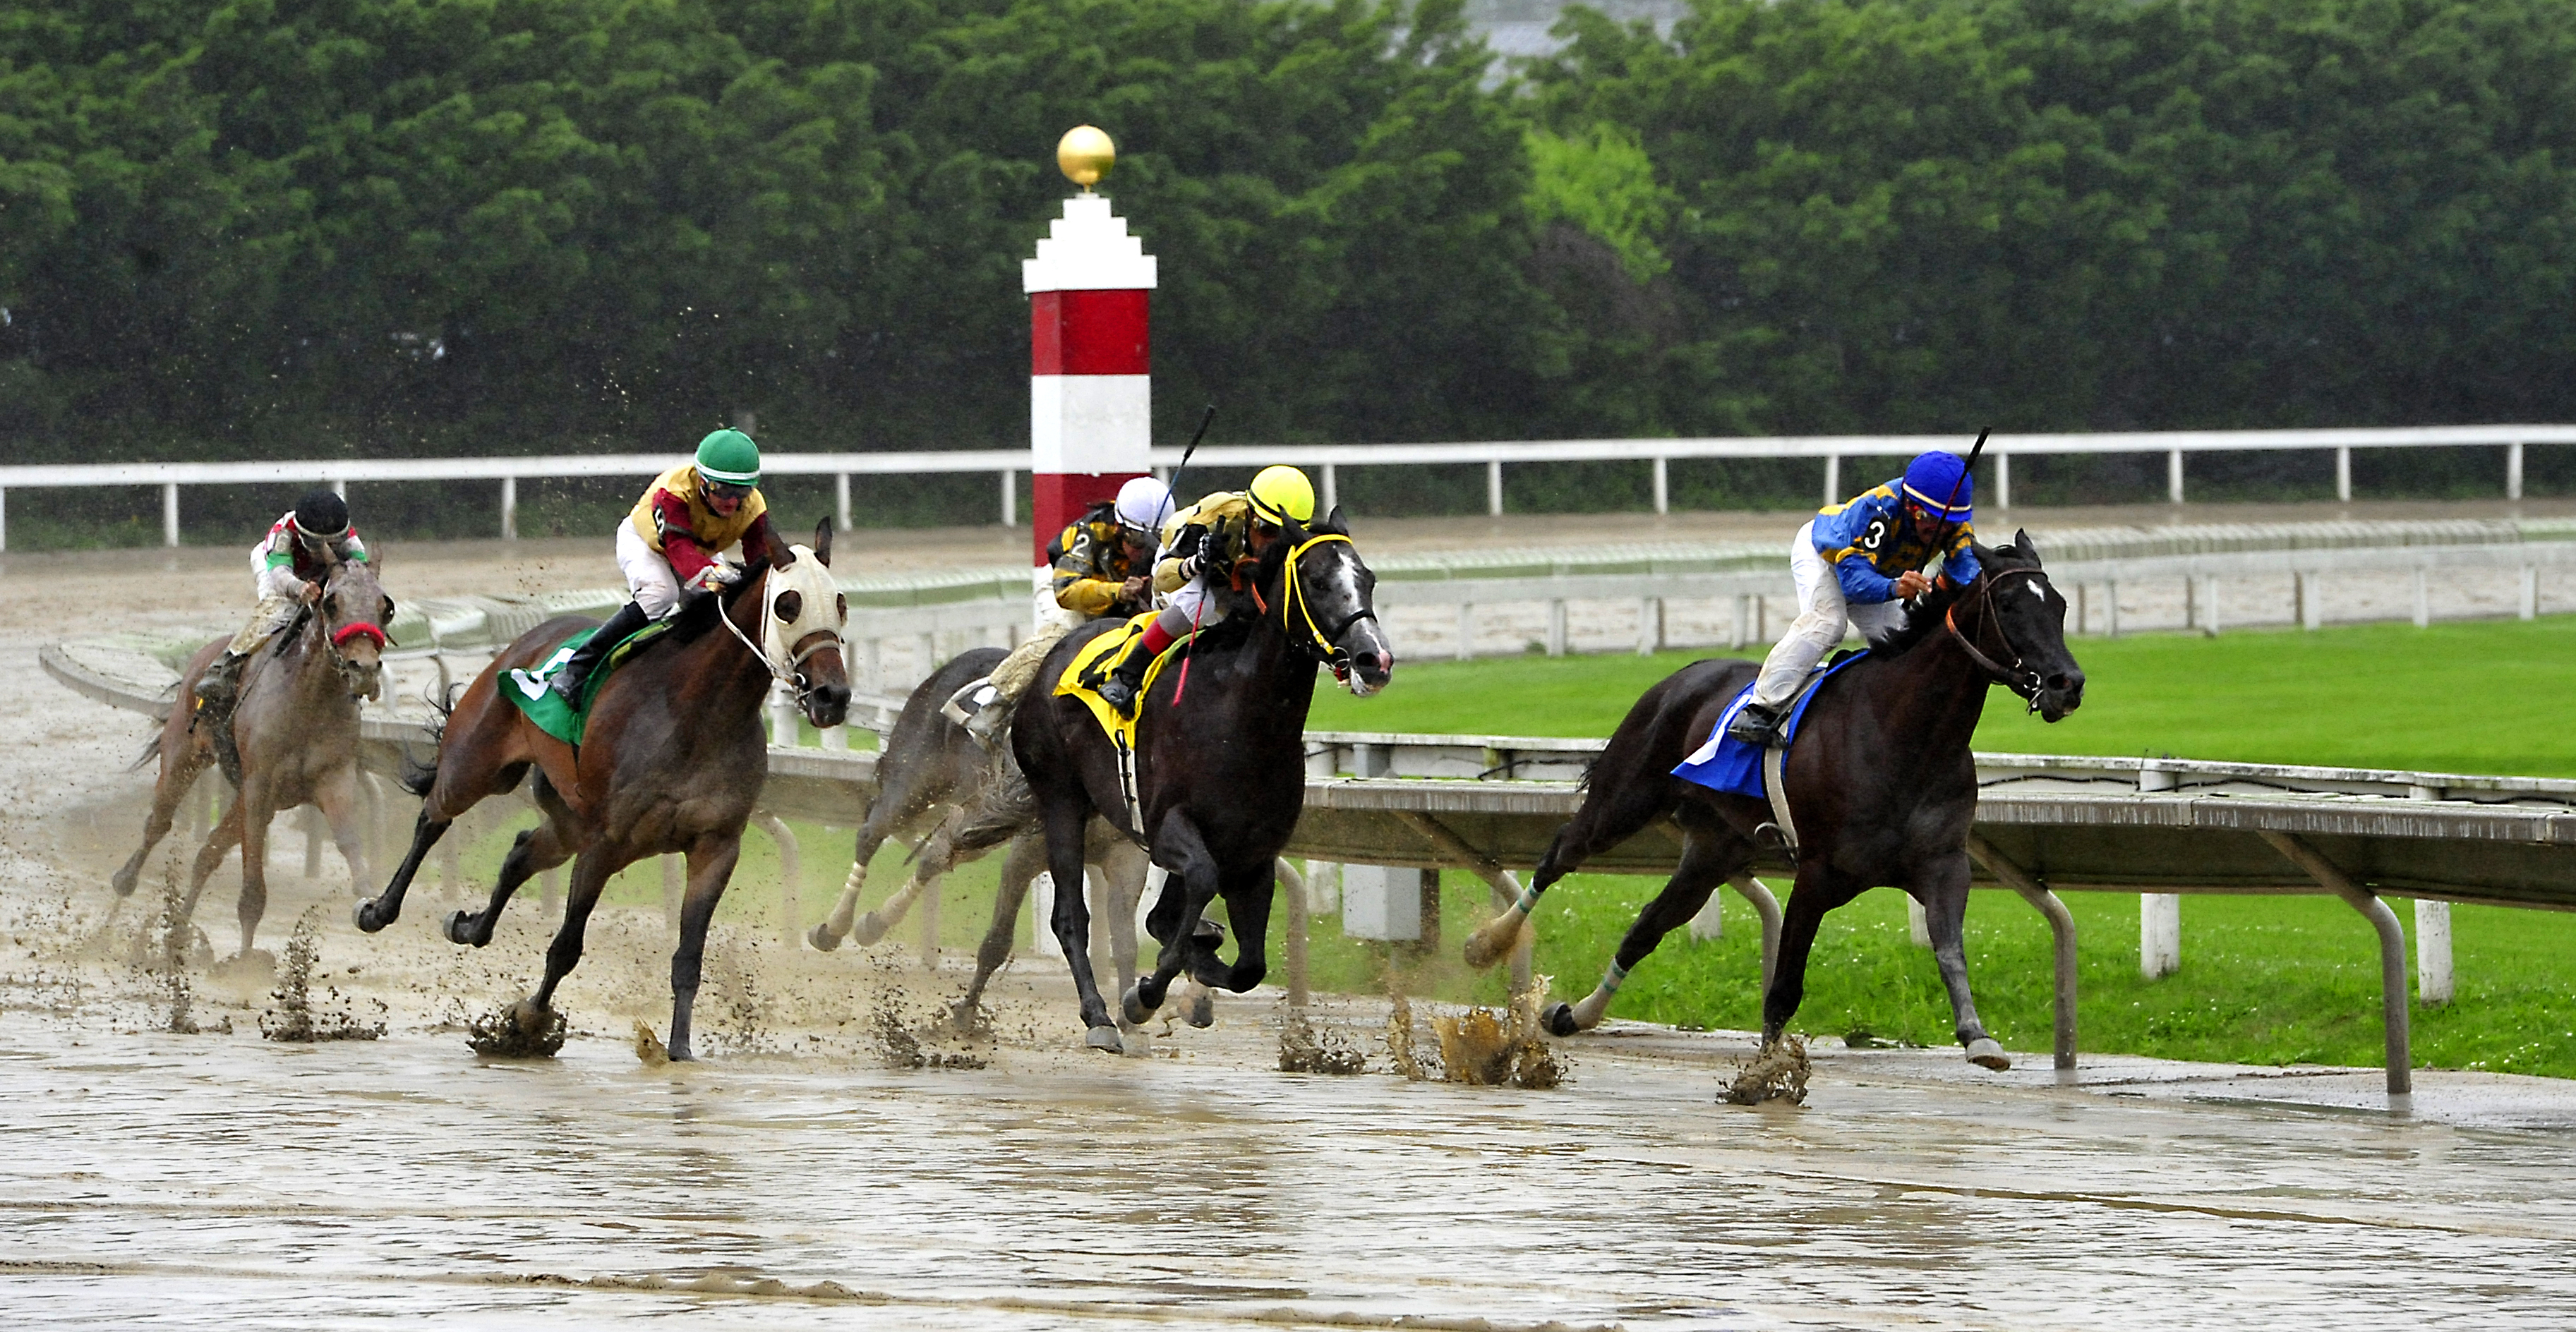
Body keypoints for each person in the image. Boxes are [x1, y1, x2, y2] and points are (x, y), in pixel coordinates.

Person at [1726, 450, 1980, 747]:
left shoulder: (1954, 525)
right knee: (1829, 624)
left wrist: (1947, 588)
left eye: (1949, 523)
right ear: (1911, 505)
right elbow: (1853, 584)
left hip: (1875, 569)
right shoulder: (1879, 510)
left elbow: (1968, 572)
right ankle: (1758, 709)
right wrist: (1895, 588)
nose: (1938, 530)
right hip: (1827, 556)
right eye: (1929, 519)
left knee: (1904, 639)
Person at [548, 428, 786, 704]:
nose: (732, 501)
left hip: (698, 552)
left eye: (741, 491)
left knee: (717, 607)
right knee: (661, 594)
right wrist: (715, 573)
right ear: (702, 480)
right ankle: (578, 668)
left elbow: (759, 558)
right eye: (722, 490)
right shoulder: (674, 491)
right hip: (647, 543)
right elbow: (678, 548)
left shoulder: (754, 506)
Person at [1094, 464, 1313, 715]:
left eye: (1285, 535)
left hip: (1231, 580)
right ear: (1249, 513)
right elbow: (1163, 579)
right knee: (1201, 604)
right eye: (1266, 529)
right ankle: (1125, 677)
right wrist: (1197, 562)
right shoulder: (1215, 518)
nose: (1272, 543)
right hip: (1182, 566)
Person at [194, 489, 370, 718]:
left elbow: (361, 576)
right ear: (303, 535)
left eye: (334, 543)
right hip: (277, 567)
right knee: (277, 613)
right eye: (317, 544)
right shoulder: (284, 534)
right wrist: (300, 588)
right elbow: (279, 574)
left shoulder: (351, 541)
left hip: (323, 571)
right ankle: (224, 667)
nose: (325, 551)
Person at [1049, 476, 1172, 622]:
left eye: (1156, 541)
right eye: (1138, 540)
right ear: (1118, 526)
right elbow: (1065, 590)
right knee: (1070, 625)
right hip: (1065, 581)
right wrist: (1119, 591)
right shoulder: (1093, 530)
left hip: (1118, 586)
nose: (1145, 552)